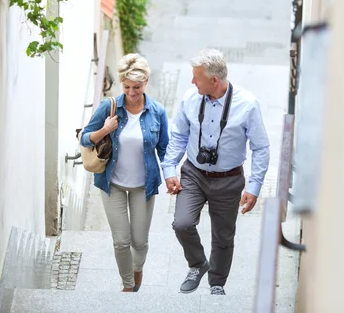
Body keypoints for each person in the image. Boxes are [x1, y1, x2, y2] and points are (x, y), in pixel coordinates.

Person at [162, 48, 270, 296]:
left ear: (214, 80)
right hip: (194, 174)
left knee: (223, 236)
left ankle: (217, 284)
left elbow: (261, 147)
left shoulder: (247, 104)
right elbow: (178, 135)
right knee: (182, 223)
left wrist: (253, 187)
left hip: (229, 179)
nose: (191, 81)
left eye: (196, 77)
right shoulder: (190, 98)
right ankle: (198, 264)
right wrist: (169, 169)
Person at [80, 53, 169, 292]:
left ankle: (137, 268)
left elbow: (165, 149)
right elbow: (84, 137)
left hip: (144, 185)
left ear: (146, 82)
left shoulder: (157, 112)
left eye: (137, 87)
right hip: (113, 184)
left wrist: (172, 176)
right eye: (127, 87)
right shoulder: (108, 108)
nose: (131, 92)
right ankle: (128, 285)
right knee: (121, 241)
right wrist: (104, 130)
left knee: (139, 242)